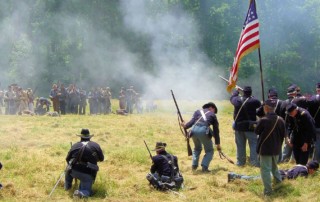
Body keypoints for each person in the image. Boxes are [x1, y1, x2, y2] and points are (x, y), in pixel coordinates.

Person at [254, 99, 286, 195]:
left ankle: (268, 191)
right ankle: (279, 185)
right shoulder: (281, 120)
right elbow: (283, 135)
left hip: (265, 149)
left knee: (265, 170)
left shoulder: (263, 120)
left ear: (266, 108)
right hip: (276, 148)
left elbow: (256, 132)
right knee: (275, 168)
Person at [64, 129, 104, 198]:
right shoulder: (95, 145)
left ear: (80, 137)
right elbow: (101, 159)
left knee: (68, 169)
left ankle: (67, 187)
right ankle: (80, 193)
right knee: (87, 191)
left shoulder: (75, 145)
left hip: (73, 171)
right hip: (87, 172)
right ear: (90, 137)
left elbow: (67, 159)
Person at [182, 102, 221, 172]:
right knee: (210, 150)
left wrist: (185, 125)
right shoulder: (212, 115)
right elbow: (216, 130)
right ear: (212, 108)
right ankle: (204, 166)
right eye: (214, 111)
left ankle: (194, 165)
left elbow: (191, 122)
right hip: (203, 131)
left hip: (193, 131)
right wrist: (218, 144)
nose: (214, 113)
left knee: (197, 149)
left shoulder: (197, 111)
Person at [230, 86, 261, 167]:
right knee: (253, 144)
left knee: (240, 145)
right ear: (250, 92)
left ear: (243, 92)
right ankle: (254, 163)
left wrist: (236, 91)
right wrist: (251, 96)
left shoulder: (236, 100)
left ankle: (240, 163)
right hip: (250, 127)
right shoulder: (253, 101)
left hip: (239, 126)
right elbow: (258, 103)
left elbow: (232, 97)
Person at [228, 160, 319, 182]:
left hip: (278, 172)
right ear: (311, 169)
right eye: (314, 171)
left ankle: (235, 176)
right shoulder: (304, 172)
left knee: (255, 178)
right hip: (280, 176)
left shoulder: (300, 165)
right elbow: (294, 178)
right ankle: (234, 176)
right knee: (255, 179)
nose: (313, 173)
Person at [308, 82, 320, 161]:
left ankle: (316, 160)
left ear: (317, 90)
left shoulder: (311, 99)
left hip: (316, 125)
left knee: (317, 144)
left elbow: (308, 114)